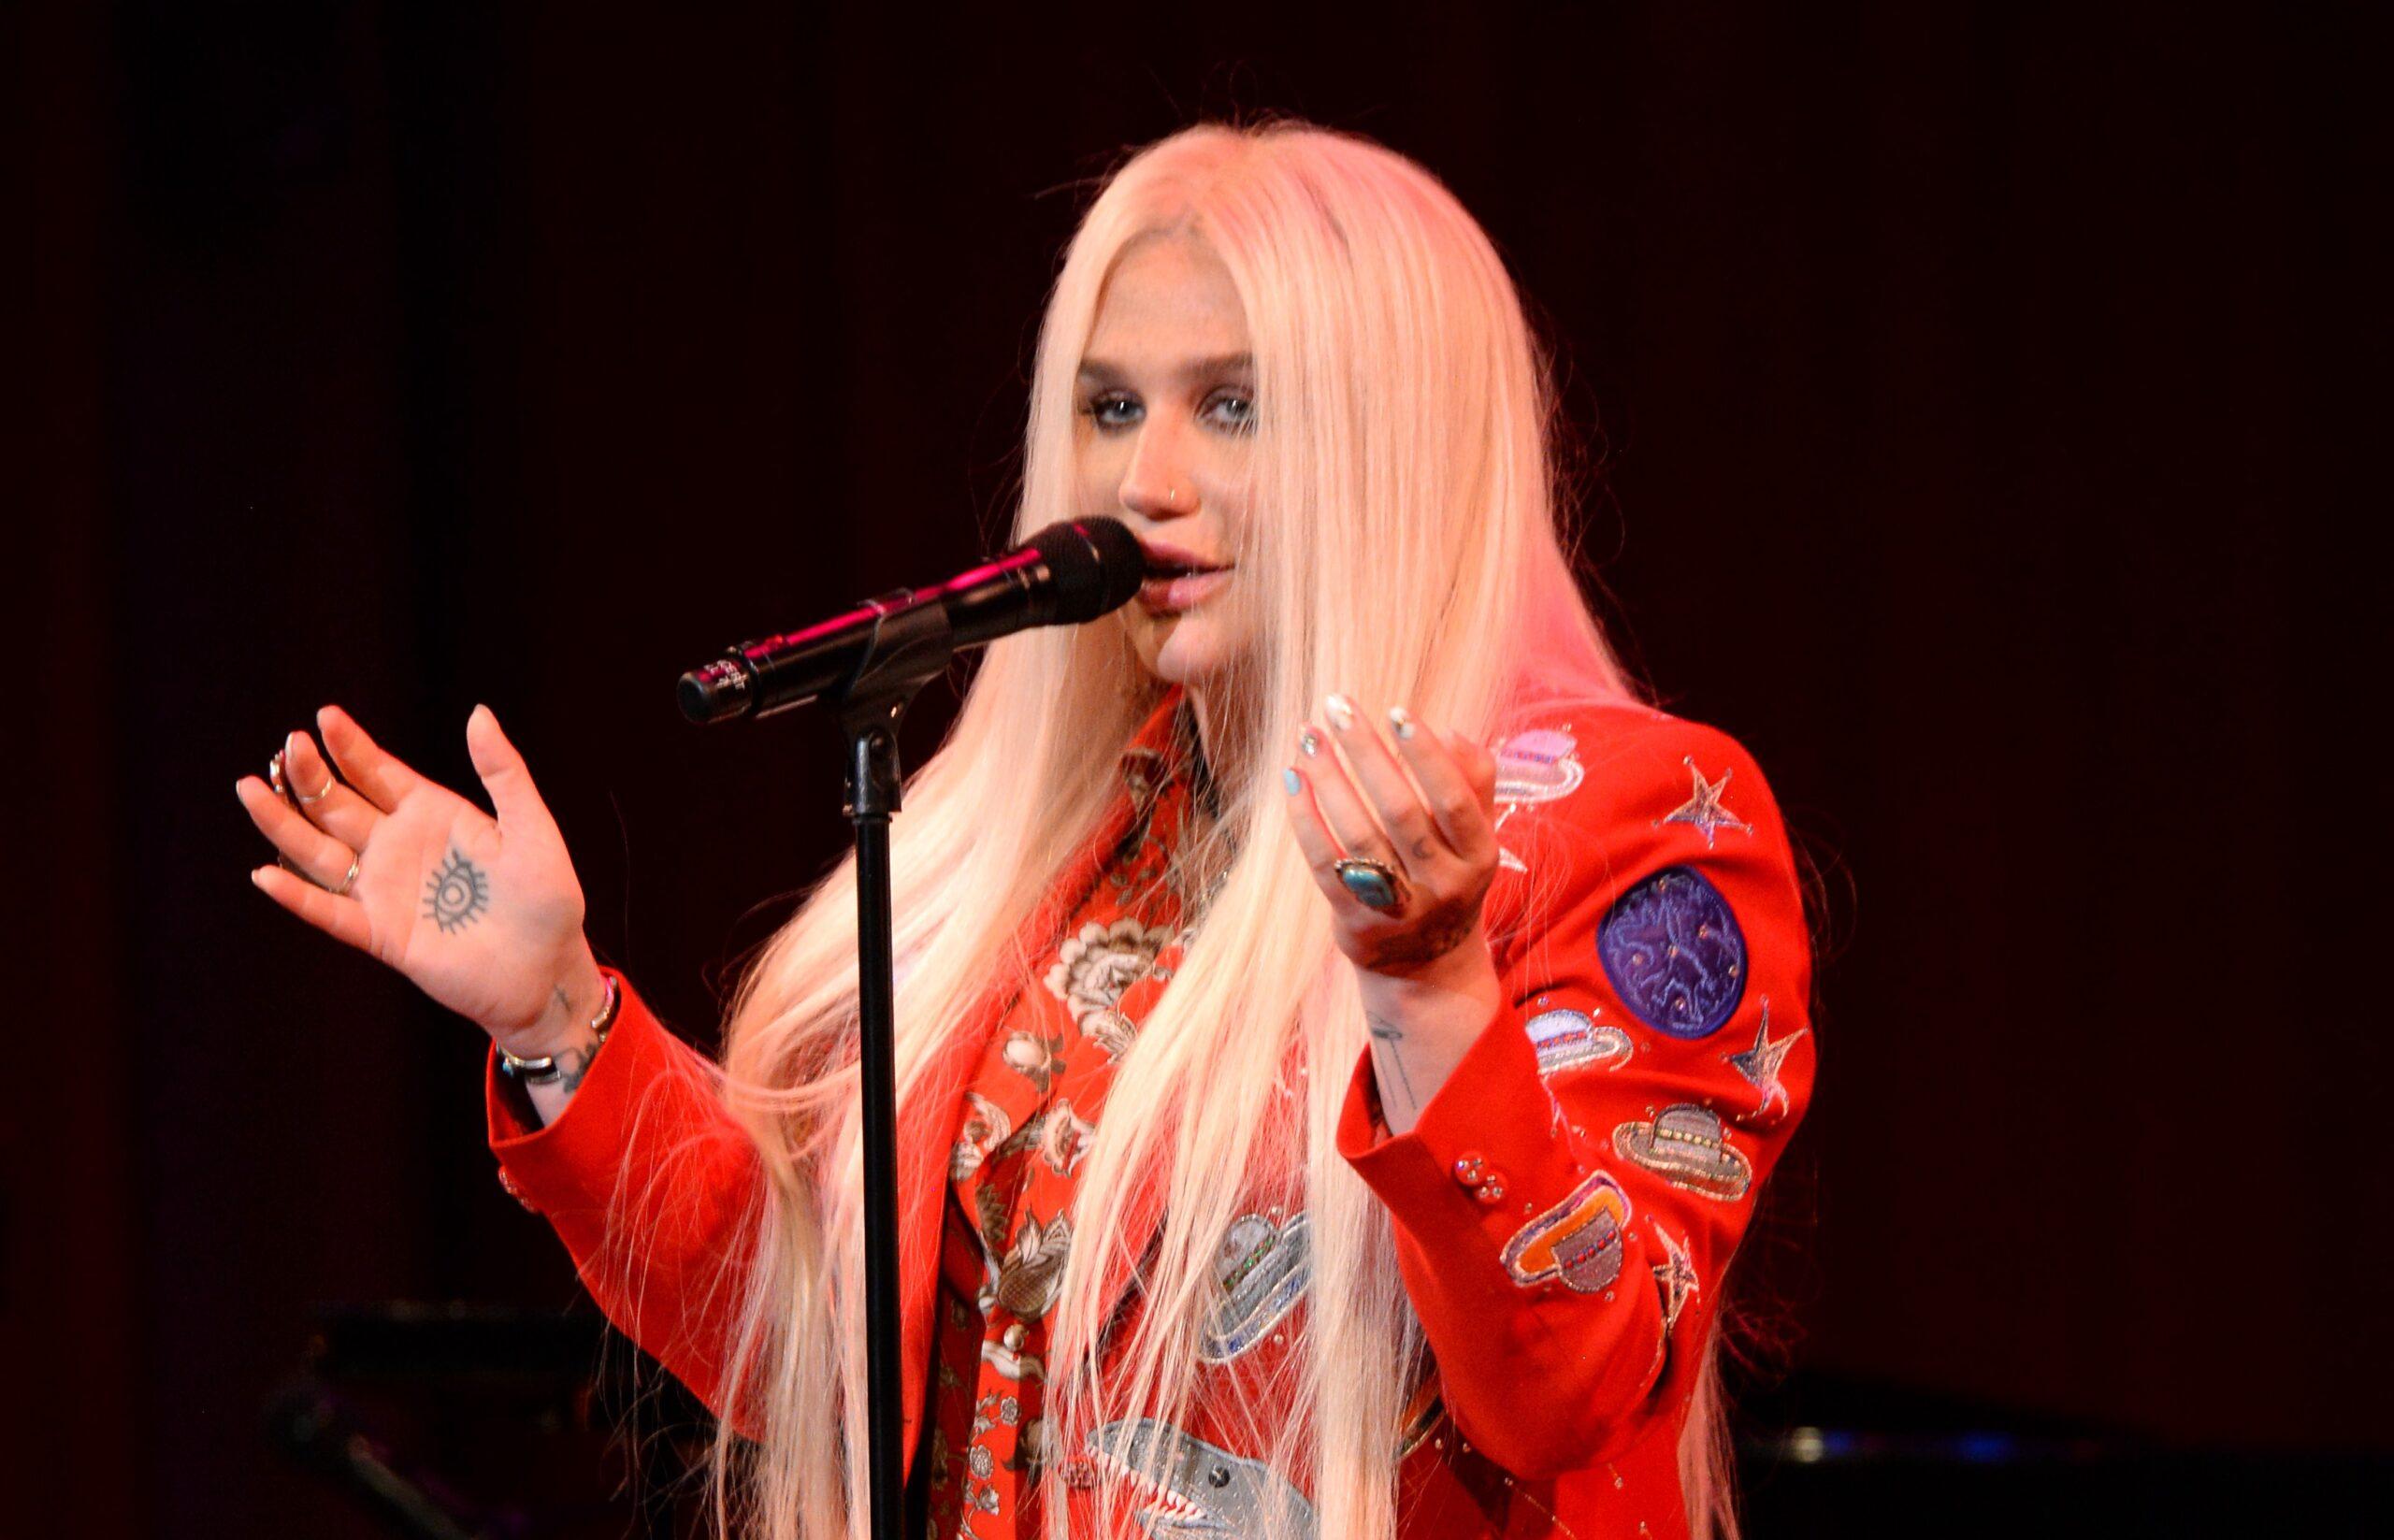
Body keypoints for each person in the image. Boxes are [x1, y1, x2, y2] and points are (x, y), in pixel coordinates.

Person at [237, 121, 1813, 1540]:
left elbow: (1570, 1392)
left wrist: (1428, 986)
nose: (1145, 478)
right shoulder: (1075, 838)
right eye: (1112, 406)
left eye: (1233, 406)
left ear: (1395, 437)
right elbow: (829, 1360)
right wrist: (555, 1014)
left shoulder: (1625, 825)